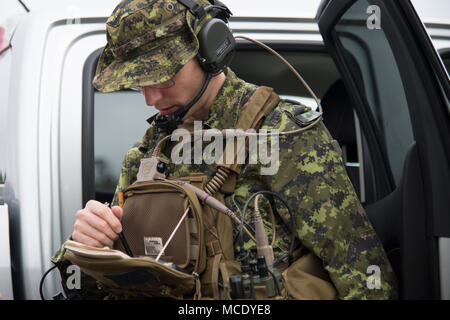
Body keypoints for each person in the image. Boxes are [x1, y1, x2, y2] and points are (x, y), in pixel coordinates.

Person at [52, 0, 397, 299]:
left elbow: (361, 270)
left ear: (209, 49)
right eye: (140, 82)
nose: (151, 98)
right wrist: (85, 246)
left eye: (164, 76)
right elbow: (93, 285)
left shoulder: (281, 134)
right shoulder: (146, 156)